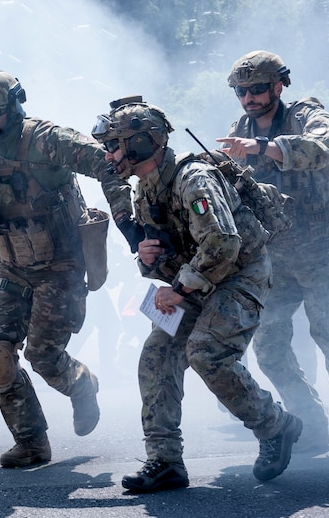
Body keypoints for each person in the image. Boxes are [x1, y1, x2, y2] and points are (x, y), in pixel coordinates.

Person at [91, 98, 302, 492]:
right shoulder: (145, 188)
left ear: (139, 143)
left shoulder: (194, 178)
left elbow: (223, 243)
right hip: (196, 280)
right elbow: (172, 246)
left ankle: (276, 427)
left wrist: (179, 289)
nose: (110, 154)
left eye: (115, 145)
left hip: (238, 274)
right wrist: (148, 256)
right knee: (156, 358)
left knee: (206, 353)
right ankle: (166, 461)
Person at [0, 70, 133, 468]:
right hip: (9, 268)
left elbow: (107, 165)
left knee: (45, 357)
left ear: (14, 105)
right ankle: (31, 441)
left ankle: (82, 385)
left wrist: (128, 219)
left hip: (59, 265)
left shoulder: (48, 141)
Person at [217, 50, 329, 454]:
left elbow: (320, 149)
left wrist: (261, 147)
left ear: (278, 86)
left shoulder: (306, 115)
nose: (248, 98)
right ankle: (310, 420)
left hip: (324, 247)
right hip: (275, 255)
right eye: (241, 91)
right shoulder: (239, 128)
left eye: (256, 89)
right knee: (269, 347)